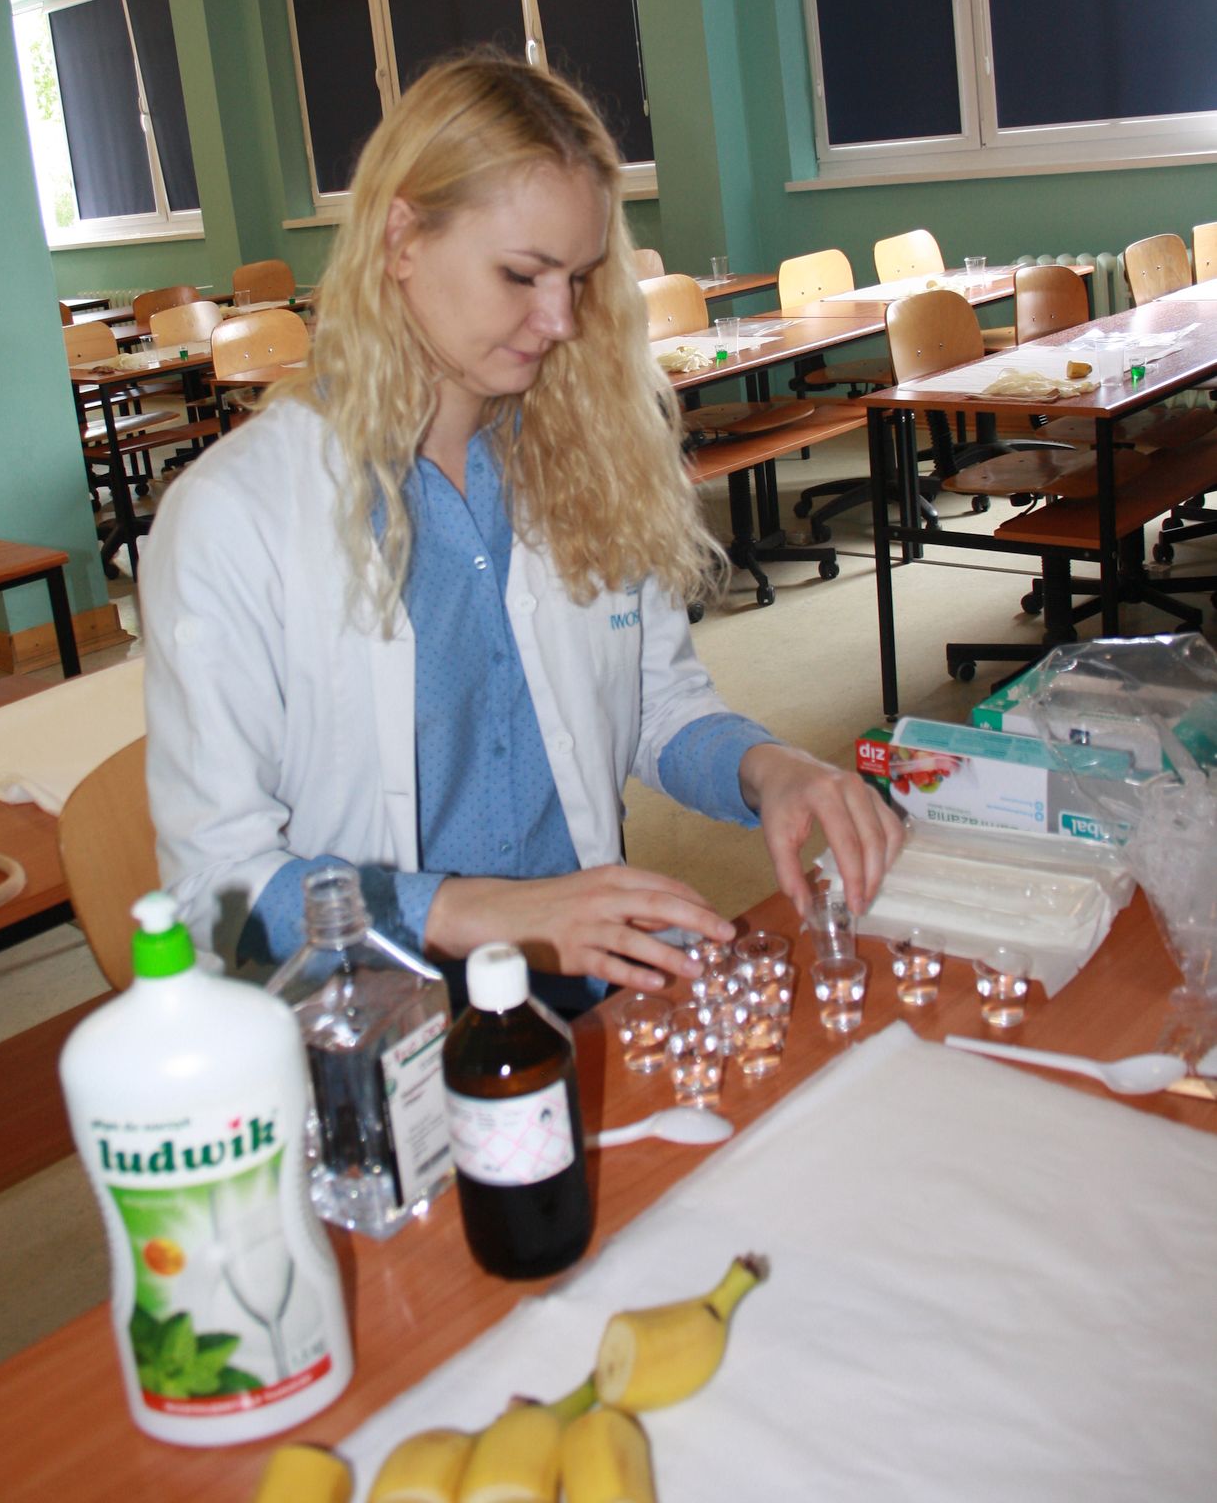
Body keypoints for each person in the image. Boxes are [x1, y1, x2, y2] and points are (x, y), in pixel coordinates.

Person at [141, 54, 902, 1002]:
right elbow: (216, 889)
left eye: (578, 278)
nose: (559, 320)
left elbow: (652, 707)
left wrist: (766, 768)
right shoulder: (235, 514)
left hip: (581, 974)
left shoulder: (583, 455)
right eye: (521, 275)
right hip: (374, 1014)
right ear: (400, 238)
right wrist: (481, 912)